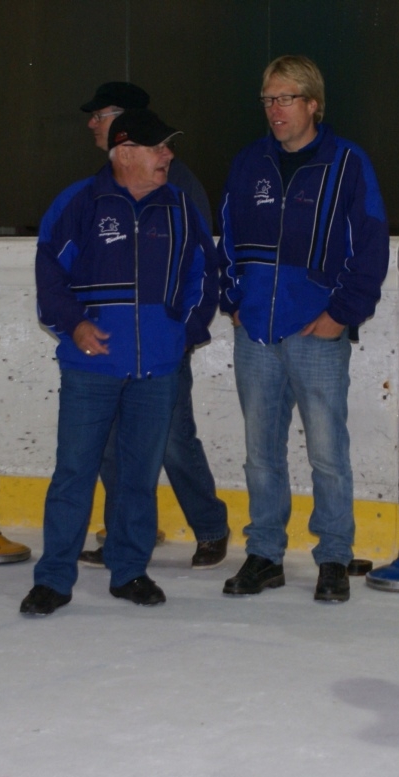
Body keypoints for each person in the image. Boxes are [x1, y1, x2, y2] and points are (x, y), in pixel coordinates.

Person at [20, 109, 219, 615]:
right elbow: (49, 275)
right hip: (91, 369)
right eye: (158, 147)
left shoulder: (180, 206)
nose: (169, 155)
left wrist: (183, 333)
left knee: (138, 476)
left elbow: (204, 273)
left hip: (157, 370)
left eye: (169, 146)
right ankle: (54, 579)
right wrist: (75, 325)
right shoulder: (79, 203)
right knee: (75, 472)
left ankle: (129, 570)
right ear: (125, 153)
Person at [217, 55, 390, 603]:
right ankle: (264, 554)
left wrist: (341, 315)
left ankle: (334, 556)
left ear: (313, 104)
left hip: (317, 333)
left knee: (327, 454)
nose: (275, 109)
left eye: (286, 98)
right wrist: (233, 300)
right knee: (260, 453)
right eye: (268, 99)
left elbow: (371, 247)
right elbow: (225, 237)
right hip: (256, 334)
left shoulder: (347, 163)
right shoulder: (249, 163)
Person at [77, 81, 230, 570]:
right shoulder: (99, 186)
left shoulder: (176, 183)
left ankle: (210, 526)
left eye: (100, 114)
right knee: (111, 445)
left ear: (124, 122)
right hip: (112, 345)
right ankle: (125, 534)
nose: (91, 124)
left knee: (171, 439)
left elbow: (201, 266)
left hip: (161, 345)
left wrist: (182, 332)